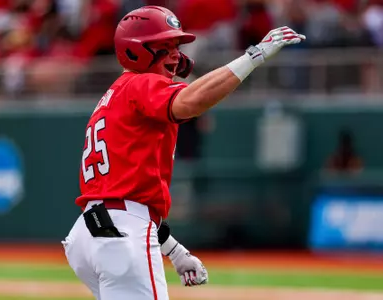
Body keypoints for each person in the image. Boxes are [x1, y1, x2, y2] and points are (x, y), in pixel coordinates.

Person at [62, 5, 305, 300]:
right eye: (165, 47)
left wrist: (175, 251)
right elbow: (190, 102)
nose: (176, 55)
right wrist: (252, 57)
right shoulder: (141, 83)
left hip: (91, 232)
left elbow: (126, 201)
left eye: (175, 46)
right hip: (120, 233)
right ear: (137, 50)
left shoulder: (114, 94)